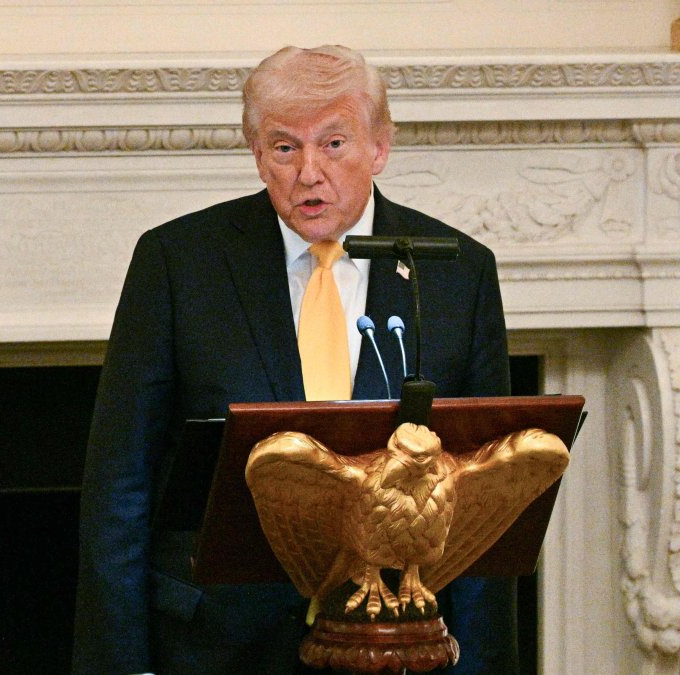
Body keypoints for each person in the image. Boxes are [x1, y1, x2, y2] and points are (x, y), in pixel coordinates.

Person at [72, 46, 515, 674]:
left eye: (333, 144)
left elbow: (486, 510)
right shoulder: (177, 263)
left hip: (396, 643)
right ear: (258, 155)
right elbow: (119, 491)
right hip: (216, 646)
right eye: (285, 148)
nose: (309, 172)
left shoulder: (457, 273)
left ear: (380, 146)